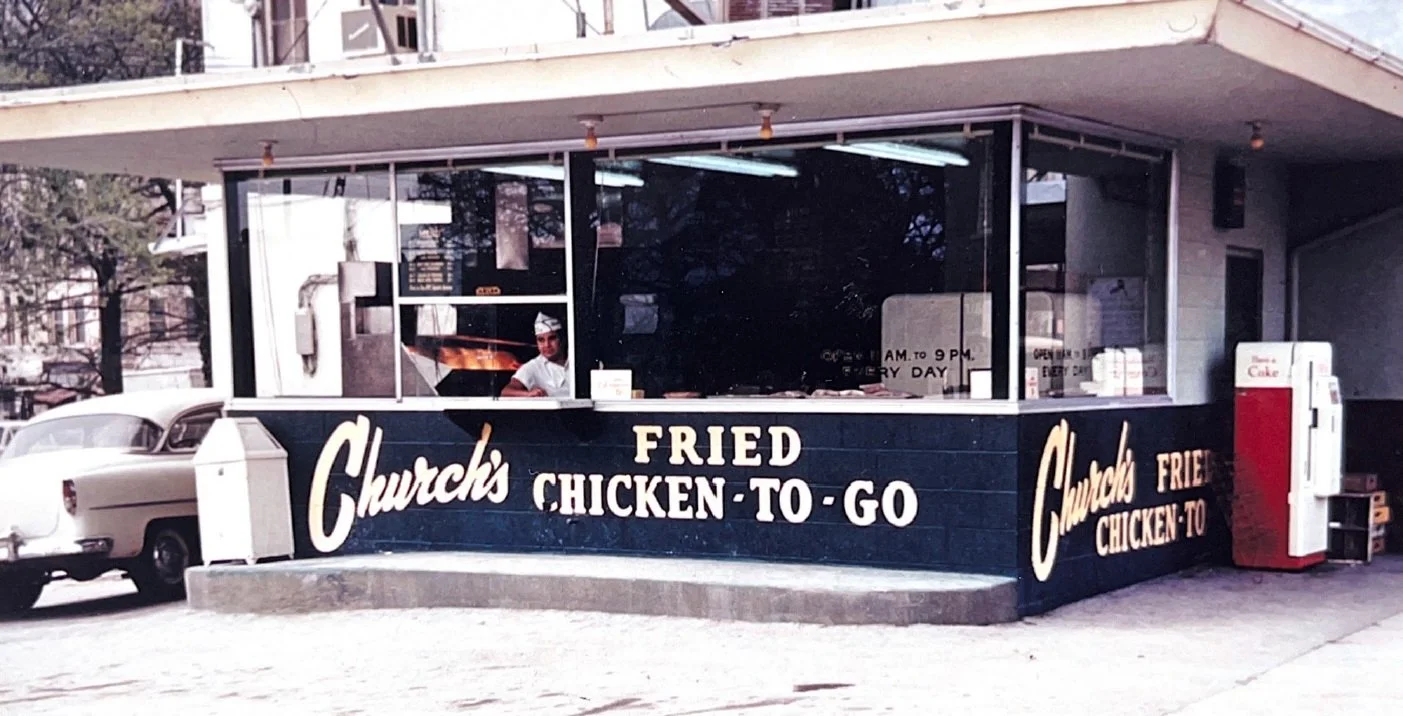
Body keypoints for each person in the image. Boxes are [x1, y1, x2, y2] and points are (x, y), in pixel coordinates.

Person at [501, 312, 572, 398]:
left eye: (552, 338)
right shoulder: (533, 366)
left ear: (562, 339)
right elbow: (506, 392)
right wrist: (528, 394)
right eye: (541, 340)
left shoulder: (574, 359)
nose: (547, 345)